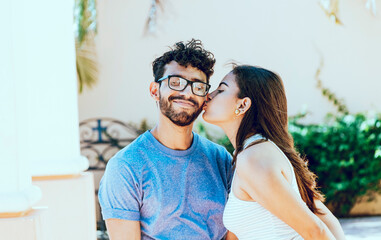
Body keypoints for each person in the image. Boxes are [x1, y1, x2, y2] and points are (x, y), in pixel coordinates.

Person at [98, 39, 233, 240]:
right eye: (175, 82)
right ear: (155, 91)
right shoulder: (125, 166)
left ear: (205, 97)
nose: (186, 93)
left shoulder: (220, 158)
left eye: (197, 86)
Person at [203, 65, 346, 240]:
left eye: (221, 90)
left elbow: (317, 231)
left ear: (243, 104)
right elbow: (326, 219)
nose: (209, 95)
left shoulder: (253, 158)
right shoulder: (255, 152)